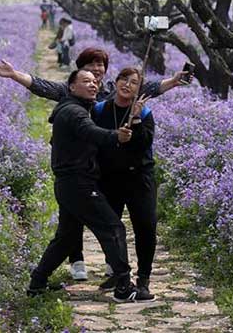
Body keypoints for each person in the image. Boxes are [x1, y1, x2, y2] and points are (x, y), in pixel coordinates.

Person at [0, 47, 192, 280]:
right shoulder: (74, 95)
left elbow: (141, 88)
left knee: (98, 224)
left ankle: (110, 269)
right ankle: (81, 263)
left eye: (100, 66)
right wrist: (15, 75)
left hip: (115, 170)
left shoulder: (109, 91)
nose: (95, 71)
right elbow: (43, 86)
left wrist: (173, 82)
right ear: (77, 75)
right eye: (89, 67)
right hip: (87, 169)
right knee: (83, 221)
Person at [27, 70, 146, 303]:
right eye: (86, 82)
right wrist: (115, 137)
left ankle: (37, 283)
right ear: (71, 87)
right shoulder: (74, 112)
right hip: (78, 184)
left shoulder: (75, 107)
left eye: (94, 82)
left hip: (69, 185)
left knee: (67, 238)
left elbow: (131, 89)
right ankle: (123, 286)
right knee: (113, 228)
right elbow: (90, 132)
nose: (93, 85)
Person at [92, 67, 157, 300]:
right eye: (123, 79)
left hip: (140, 178)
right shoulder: (100, 109)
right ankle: (121, 275)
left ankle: (144, 279)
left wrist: (137, 120)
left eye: (133, 82)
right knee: (111, 228)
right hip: (111, 178)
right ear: (116, 82)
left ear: (138, 89)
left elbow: (144, 145)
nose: (127, 85)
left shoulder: (145, 112)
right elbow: (95, 139)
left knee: (146, 227)